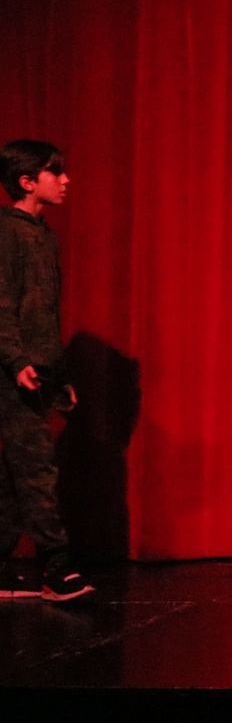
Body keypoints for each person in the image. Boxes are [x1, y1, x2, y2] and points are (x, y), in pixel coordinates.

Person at [0, 139, 92, 601]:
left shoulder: (43, 234)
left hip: (37, 369)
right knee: (36, 467)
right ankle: (57, 565)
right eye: (55, 172)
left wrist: (59, 376)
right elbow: (1, 304)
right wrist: (16, 361)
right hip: (10, 371)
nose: (66, 180)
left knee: (13, 474)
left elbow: (44, 316)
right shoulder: (6, 234)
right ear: (27, 181)